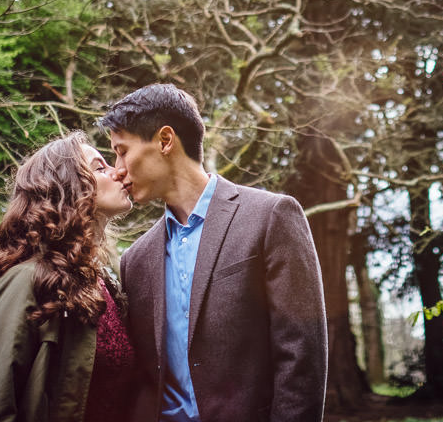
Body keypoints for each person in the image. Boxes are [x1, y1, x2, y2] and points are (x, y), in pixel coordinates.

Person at [101, 83, 328, 422]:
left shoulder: (270, 217)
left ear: (165, 141)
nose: (117, 168)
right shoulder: (133, 260)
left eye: (122, 150)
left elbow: (301, 357)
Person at [0, 131, 135, 422]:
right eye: (99, 167)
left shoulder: (105, 284)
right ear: (67, 187)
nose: (119, 172)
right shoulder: (26, 280)